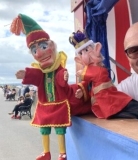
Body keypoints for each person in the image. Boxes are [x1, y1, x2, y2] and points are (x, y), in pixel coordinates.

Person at [11, 13, 90, 160]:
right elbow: (35, 75)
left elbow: (61, 78)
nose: (39, 52)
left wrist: (64, 77)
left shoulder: (58, 67)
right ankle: (46, 152)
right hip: (45, 105)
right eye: (35, 50)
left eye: (43, 46)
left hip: (59, 105)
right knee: (44, 129)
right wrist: (25, 74)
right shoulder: (40, 71)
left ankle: (62, 153)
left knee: (60, 129)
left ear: (52, 46)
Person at [69, 30, 138, 122]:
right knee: (125, 109)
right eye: (81, 53)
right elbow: (87, 82)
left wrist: (82, 73)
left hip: (107, 96)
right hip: (102, 98)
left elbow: (94, 74)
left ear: (95, 49)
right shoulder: (90, 68)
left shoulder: (98, 68)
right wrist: (82, 90)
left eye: (86, 50)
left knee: (125, 107)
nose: (84, 55)